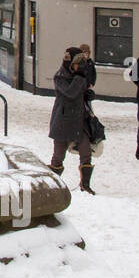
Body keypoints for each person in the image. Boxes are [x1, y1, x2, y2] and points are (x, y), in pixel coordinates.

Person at [49, 47, 96, 194]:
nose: (79, 67)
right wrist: (80, 78)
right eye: (78, 64)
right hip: (62, 120)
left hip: (79, 120)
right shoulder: (60, 76)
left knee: (85, 151)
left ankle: (85, 184)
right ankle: (53, 185)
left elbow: (83, 91)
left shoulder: (80, 76)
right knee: (58, 156)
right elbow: (70, 93)